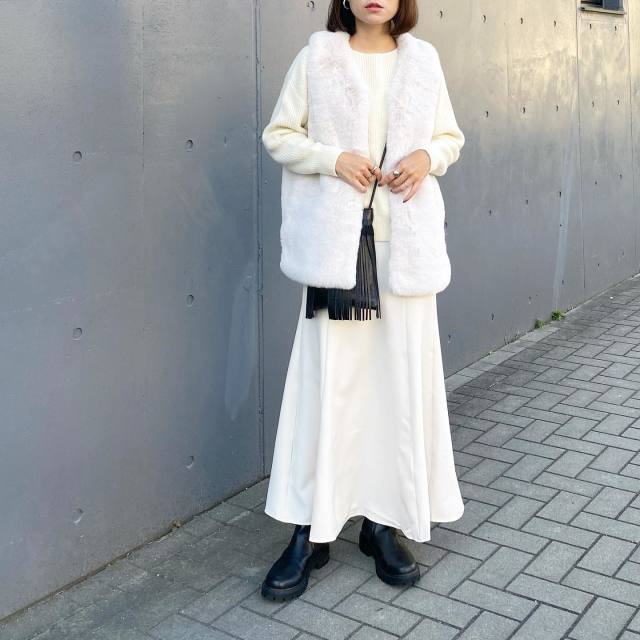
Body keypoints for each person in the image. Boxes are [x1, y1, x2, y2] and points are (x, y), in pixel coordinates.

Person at [259, 0, 466, 601]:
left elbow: (449, 137)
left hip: (404, 254)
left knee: (396, 387)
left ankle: (383, 523)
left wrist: (427, 157)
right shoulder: (317, 58)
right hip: (338, 252)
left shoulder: (423, 62)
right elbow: (278, 134)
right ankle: (311, 529)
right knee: (328, 385)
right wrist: (332, 159)